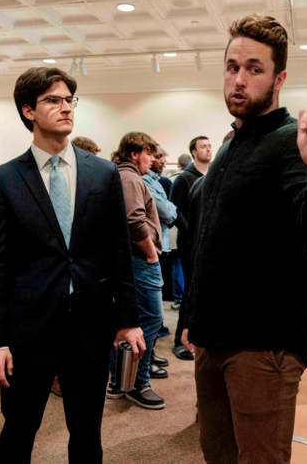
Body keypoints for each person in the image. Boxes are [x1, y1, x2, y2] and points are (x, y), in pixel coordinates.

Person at [181, 15, 307, 463]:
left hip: (263, 348)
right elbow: (207, 243)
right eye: (232, 66)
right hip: (212, 341)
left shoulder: (287, 142)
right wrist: (192, 319)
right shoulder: (229, 145)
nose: (239, 79)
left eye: (254, 69)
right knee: (217, 455)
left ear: (279, 78)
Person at [0, 67, 144, 463]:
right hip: (27, 330)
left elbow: (118, 253)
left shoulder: (102, 173)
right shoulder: (4, 179)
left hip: (89, 324)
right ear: (28, 111)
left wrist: (127, 319)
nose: (66, 107)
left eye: (70, 99)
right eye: (53, 100)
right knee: (19, 429)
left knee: (87, 432)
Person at [108, 132, 167, 409]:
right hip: (140, 260)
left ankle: (121, 380)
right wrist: (151, 252)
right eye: (149, 153)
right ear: (134, 153)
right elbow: (135, 220)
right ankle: (136, 383)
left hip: (134, 260)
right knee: (150, 320)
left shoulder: (121, 176)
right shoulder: (130, 178)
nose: (152, 159)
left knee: (132, 321)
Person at [170, 135, 212, 359]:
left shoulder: (214, 175)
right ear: (193, 152)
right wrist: (192, 230)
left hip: (207, 243)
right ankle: (180, 340)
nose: (207, 149)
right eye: (203, 146)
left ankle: (197, 337)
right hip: (189, 244)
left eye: (209, 146)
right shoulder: (183, 179)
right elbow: (174, 211)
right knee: (189, 292)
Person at [142, 148, 178, 376]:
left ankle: (150, 354)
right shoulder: (144, 181)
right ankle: (142, 367)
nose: (162, 161)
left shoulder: (154, 180)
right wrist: (171, 210)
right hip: (150, 249)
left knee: (153, 312)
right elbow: (167, 211)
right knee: (150, 312)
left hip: (159, 245)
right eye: (157, 157)